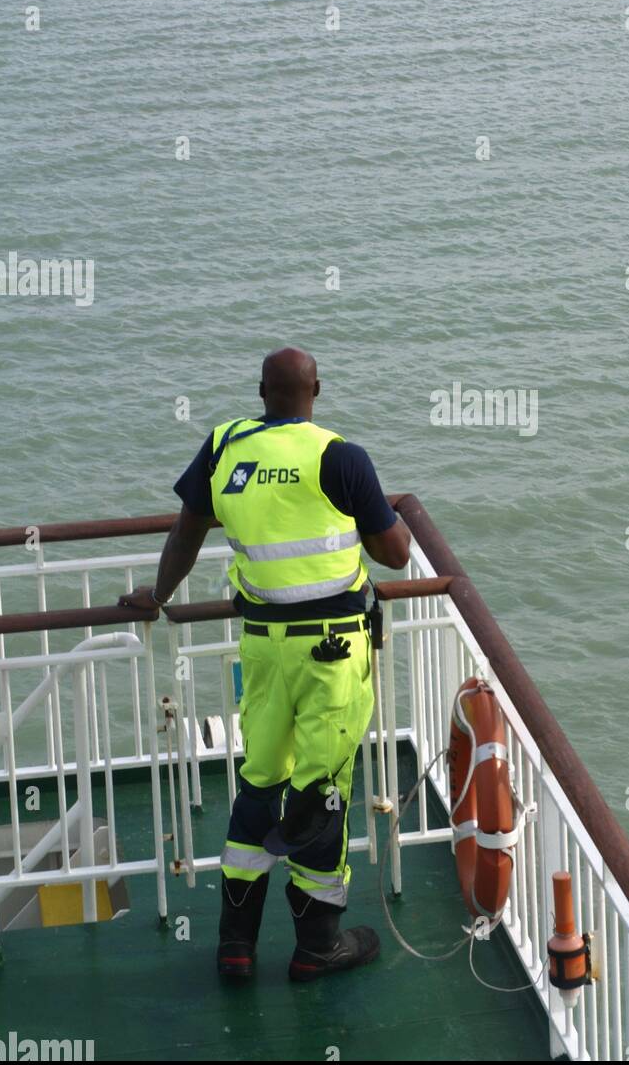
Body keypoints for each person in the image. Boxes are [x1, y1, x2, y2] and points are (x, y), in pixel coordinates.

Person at [119, 346, 410, 981]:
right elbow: (395, 554)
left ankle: (236, 945)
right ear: (318, 390)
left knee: (259, 783)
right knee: (321, 792)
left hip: (262, 646)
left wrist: (158, 596)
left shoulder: (224, 445)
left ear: (261, 392)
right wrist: (383, 517)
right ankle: (317, 946)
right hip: (331, 651)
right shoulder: (340, 456)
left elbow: (188, 528)